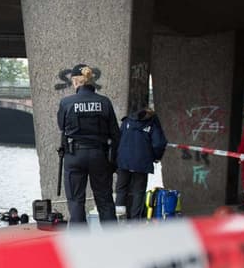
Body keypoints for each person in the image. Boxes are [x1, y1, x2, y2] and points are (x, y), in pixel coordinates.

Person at [57, 63, 120, 225]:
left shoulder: (66, 102)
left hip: (74, 155)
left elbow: (61, 126)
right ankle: (113, 242)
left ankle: (80, 243)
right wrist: (113, 162)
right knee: (105, 200)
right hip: (99, 156)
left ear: (76, 81)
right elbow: (115, 134)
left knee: (76, 201)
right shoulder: (104, 102)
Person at [114, 107, 168, 220]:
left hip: (124, 161)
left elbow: (117, 139)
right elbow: (159, 143)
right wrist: (156, 157)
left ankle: (119, 218)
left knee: (121, 189)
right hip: (141, 162)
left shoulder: (127, 121)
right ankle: (135, 220)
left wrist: (116, 158)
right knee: (139, 191)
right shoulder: (152, 122)